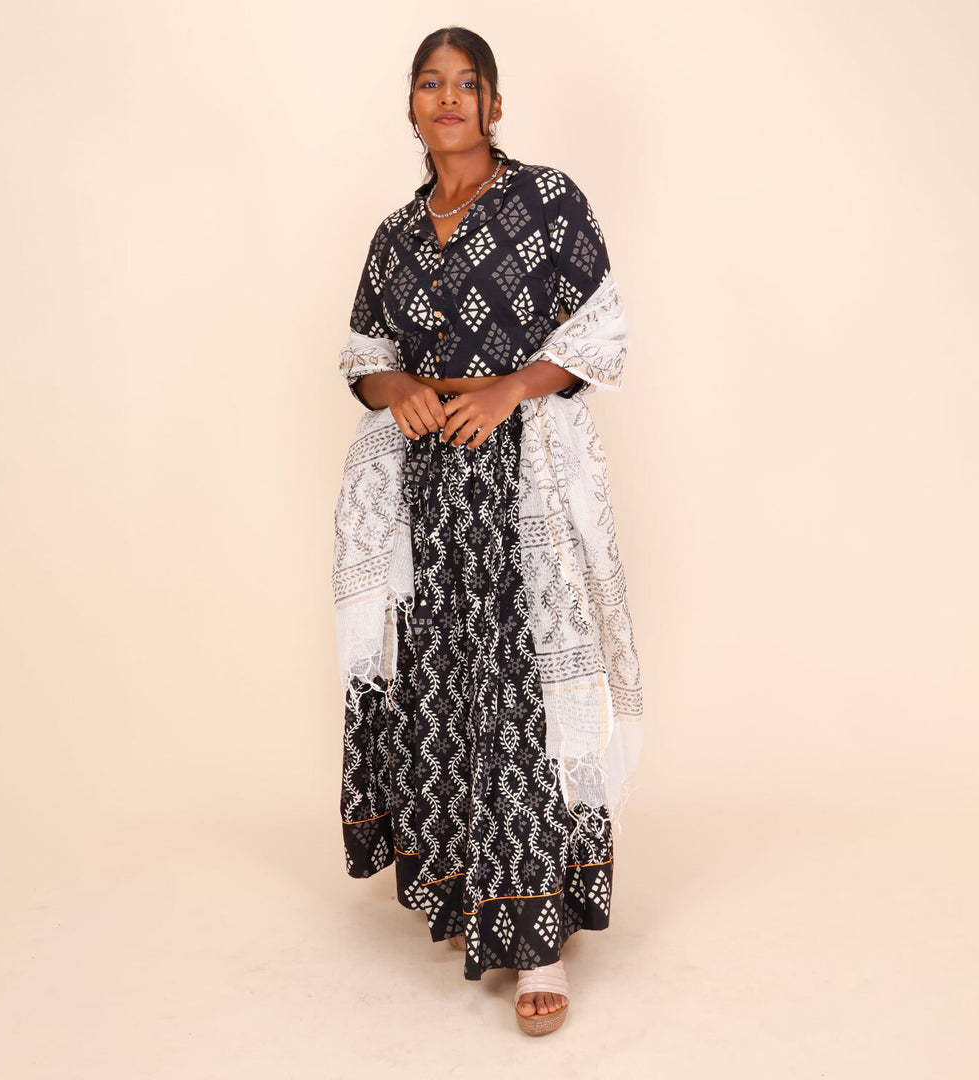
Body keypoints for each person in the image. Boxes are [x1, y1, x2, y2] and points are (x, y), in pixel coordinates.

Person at [331, 26, 642, 1036]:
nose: (450, 98)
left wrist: (509, 388)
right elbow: (364, 355)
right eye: (432, 83)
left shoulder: (547, 201)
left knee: (517, 687)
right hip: (426, 492)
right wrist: (400, 390)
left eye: (468, 84)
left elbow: (600, 330)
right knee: (445, 680)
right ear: (412, 109)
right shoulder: (395, 235)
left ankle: (537, 938)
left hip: (522, 480)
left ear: (495, 105)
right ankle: (476, 891)